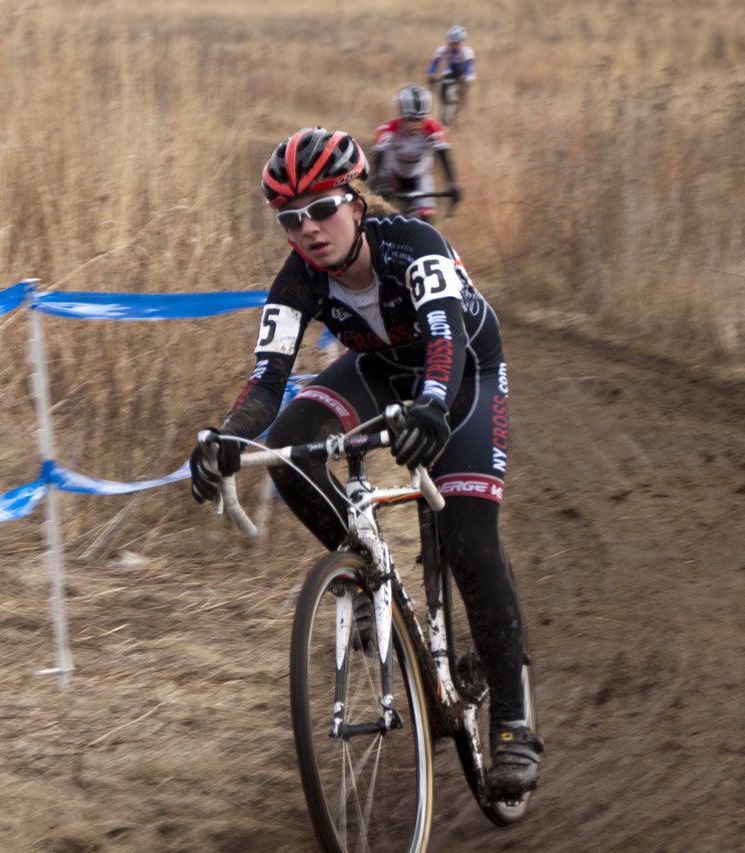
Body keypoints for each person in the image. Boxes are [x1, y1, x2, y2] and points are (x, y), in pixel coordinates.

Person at [188, 127, 542, 797]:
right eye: (291, 219)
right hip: (379, 366)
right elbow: (267, 381)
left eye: (322, 208)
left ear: (357, 200)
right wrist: (229, 437)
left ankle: (513, 722)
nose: (309, 230)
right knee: (289, 447)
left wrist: (433, 404)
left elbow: (446, 334)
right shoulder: (296, 282)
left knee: (468, 536)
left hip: (463, 371)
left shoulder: (414, 245)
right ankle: (366, 568)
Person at [371, 85, 461, 223]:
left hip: (420, 177)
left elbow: (445, 158)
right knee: (379, 218)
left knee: (427, 224)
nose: (415, 124)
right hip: (391, 175)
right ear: (401, 115)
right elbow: (377, 161)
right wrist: (378, 183)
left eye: (420, 119)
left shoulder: (435, 130)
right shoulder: (386, 131)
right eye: (410, 119)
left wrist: (453, 183)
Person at [427, 25, 476, 120]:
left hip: (463, 72)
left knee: (462, 95)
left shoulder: (467, 52)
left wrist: (468, 78)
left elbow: (468, 67)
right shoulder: (443, 49)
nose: (453, 45)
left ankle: (459, 112)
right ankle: (445, 108)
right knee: (442, 91)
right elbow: (435, 63)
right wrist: (431, 74)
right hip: (450, 71)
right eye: (451, 42)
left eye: (456, 43)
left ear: (461, 42)